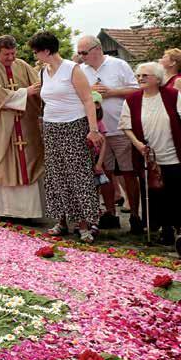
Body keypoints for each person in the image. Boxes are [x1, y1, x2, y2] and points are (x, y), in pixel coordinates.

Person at [120, 62, 181, 244]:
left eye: (145, 75)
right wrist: (137, 145)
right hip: (150, 157)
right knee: (156, 194)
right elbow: (126, 126)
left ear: (157, 79)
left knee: (180, 190)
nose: (140, 78)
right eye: (138, 75)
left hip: (174, 153)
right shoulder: (132, 100)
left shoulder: (172, 95)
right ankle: (163, 228)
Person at [31, 31, 105, 243]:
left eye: (37, 52)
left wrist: (93, 129)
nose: (36, 56)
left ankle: (84, 224)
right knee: (56, 176)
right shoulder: (44, 72)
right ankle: (61, 220)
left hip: (74, 126)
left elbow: (88, 100)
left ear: (46, 51)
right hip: (52, 128)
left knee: (77, 176)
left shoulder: (72, 69)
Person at [76, 35, 141, 233]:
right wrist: (89, 93)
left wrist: (111, 92)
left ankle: (135, 215)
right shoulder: (80, 71)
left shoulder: (119, 65)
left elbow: (136, 91)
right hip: (97, 130)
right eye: (79, 53)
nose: (81, 57)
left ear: (97, 49)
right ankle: (111, 213)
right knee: (104, 173)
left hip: (121, 127)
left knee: (129, 172)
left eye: (84, 52)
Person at [0, 35, 45, 219]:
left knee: (28, 163)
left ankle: (28, 212)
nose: (11, 58)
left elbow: (39, 85)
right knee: (1, 164)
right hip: (0, 126)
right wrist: (25, 92)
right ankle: (2, 210)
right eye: (6, 54)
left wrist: (39, 91)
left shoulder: (22, 65)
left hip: (24, 124)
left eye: (13, 53)